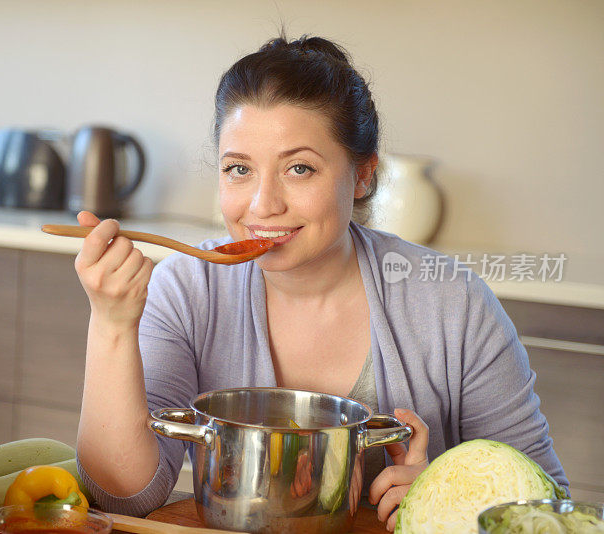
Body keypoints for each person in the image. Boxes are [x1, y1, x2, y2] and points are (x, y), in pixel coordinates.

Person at [71, 35, 567, 529]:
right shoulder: (187, 289)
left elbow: (547, 508)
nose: (263, 204)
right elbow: (124, 497)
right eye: (239, 169)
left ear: (363, 176)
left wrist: (439, 495)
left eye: (299, 168)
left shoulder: (450, 302)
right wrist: (112, 324)